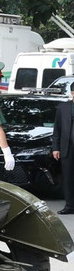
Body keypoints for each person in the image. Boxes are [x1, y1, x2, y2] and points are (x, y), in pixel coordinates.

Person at [52, 86, 74, 215]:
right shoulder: (63, 107)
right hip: (67, 147)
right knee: (68, 177)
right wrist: (56, 148)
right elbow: (57, 129)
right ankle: (70, 205)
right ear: (72, 93)